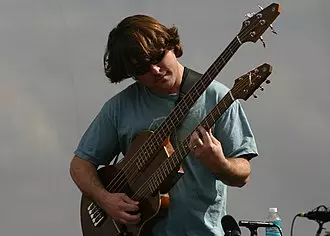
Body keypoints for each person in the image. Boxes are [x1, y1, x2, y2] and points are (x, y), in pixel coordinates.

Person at [70, 14, 258, 236]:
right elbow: (80, 164)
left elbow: (243, 173)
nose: (155, 71)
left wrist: (219, 163)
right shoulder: (119, 107)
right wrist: (106, 199)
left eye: (158, 58)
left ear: (172, 46)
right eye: (142, 70)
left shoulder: (216, 96)